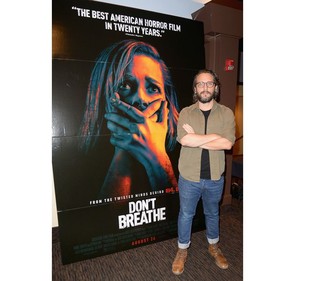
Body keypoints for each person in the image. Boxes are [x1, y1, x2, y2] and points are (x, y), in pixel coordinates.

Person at [79, 39, 179, 198]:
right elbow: (103, 220)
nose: (140, 98)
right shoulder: (81, 167)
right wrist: (124, 149)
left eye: (153, 88)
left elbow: (178, 215)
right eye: (124, 85)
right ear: (103, 96)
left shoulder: (183, 150)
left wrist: (158, 158)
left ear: (166, 100)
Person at [172, 69, 236, 275]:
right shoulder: (185, 113)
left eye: (209, 83)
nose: (205, 87)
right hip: (189, 177)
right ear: (195, 88)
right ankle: (182, 250)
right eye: (200, 84)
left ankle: (213, 246)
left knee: (212, 213)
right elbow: (184, 140)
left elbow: (227, 144)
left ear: (215, 88)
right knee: (186, 215)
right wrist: (213, 137)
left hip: (215, 178)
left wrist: (198, 138)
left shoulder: (226, 113)